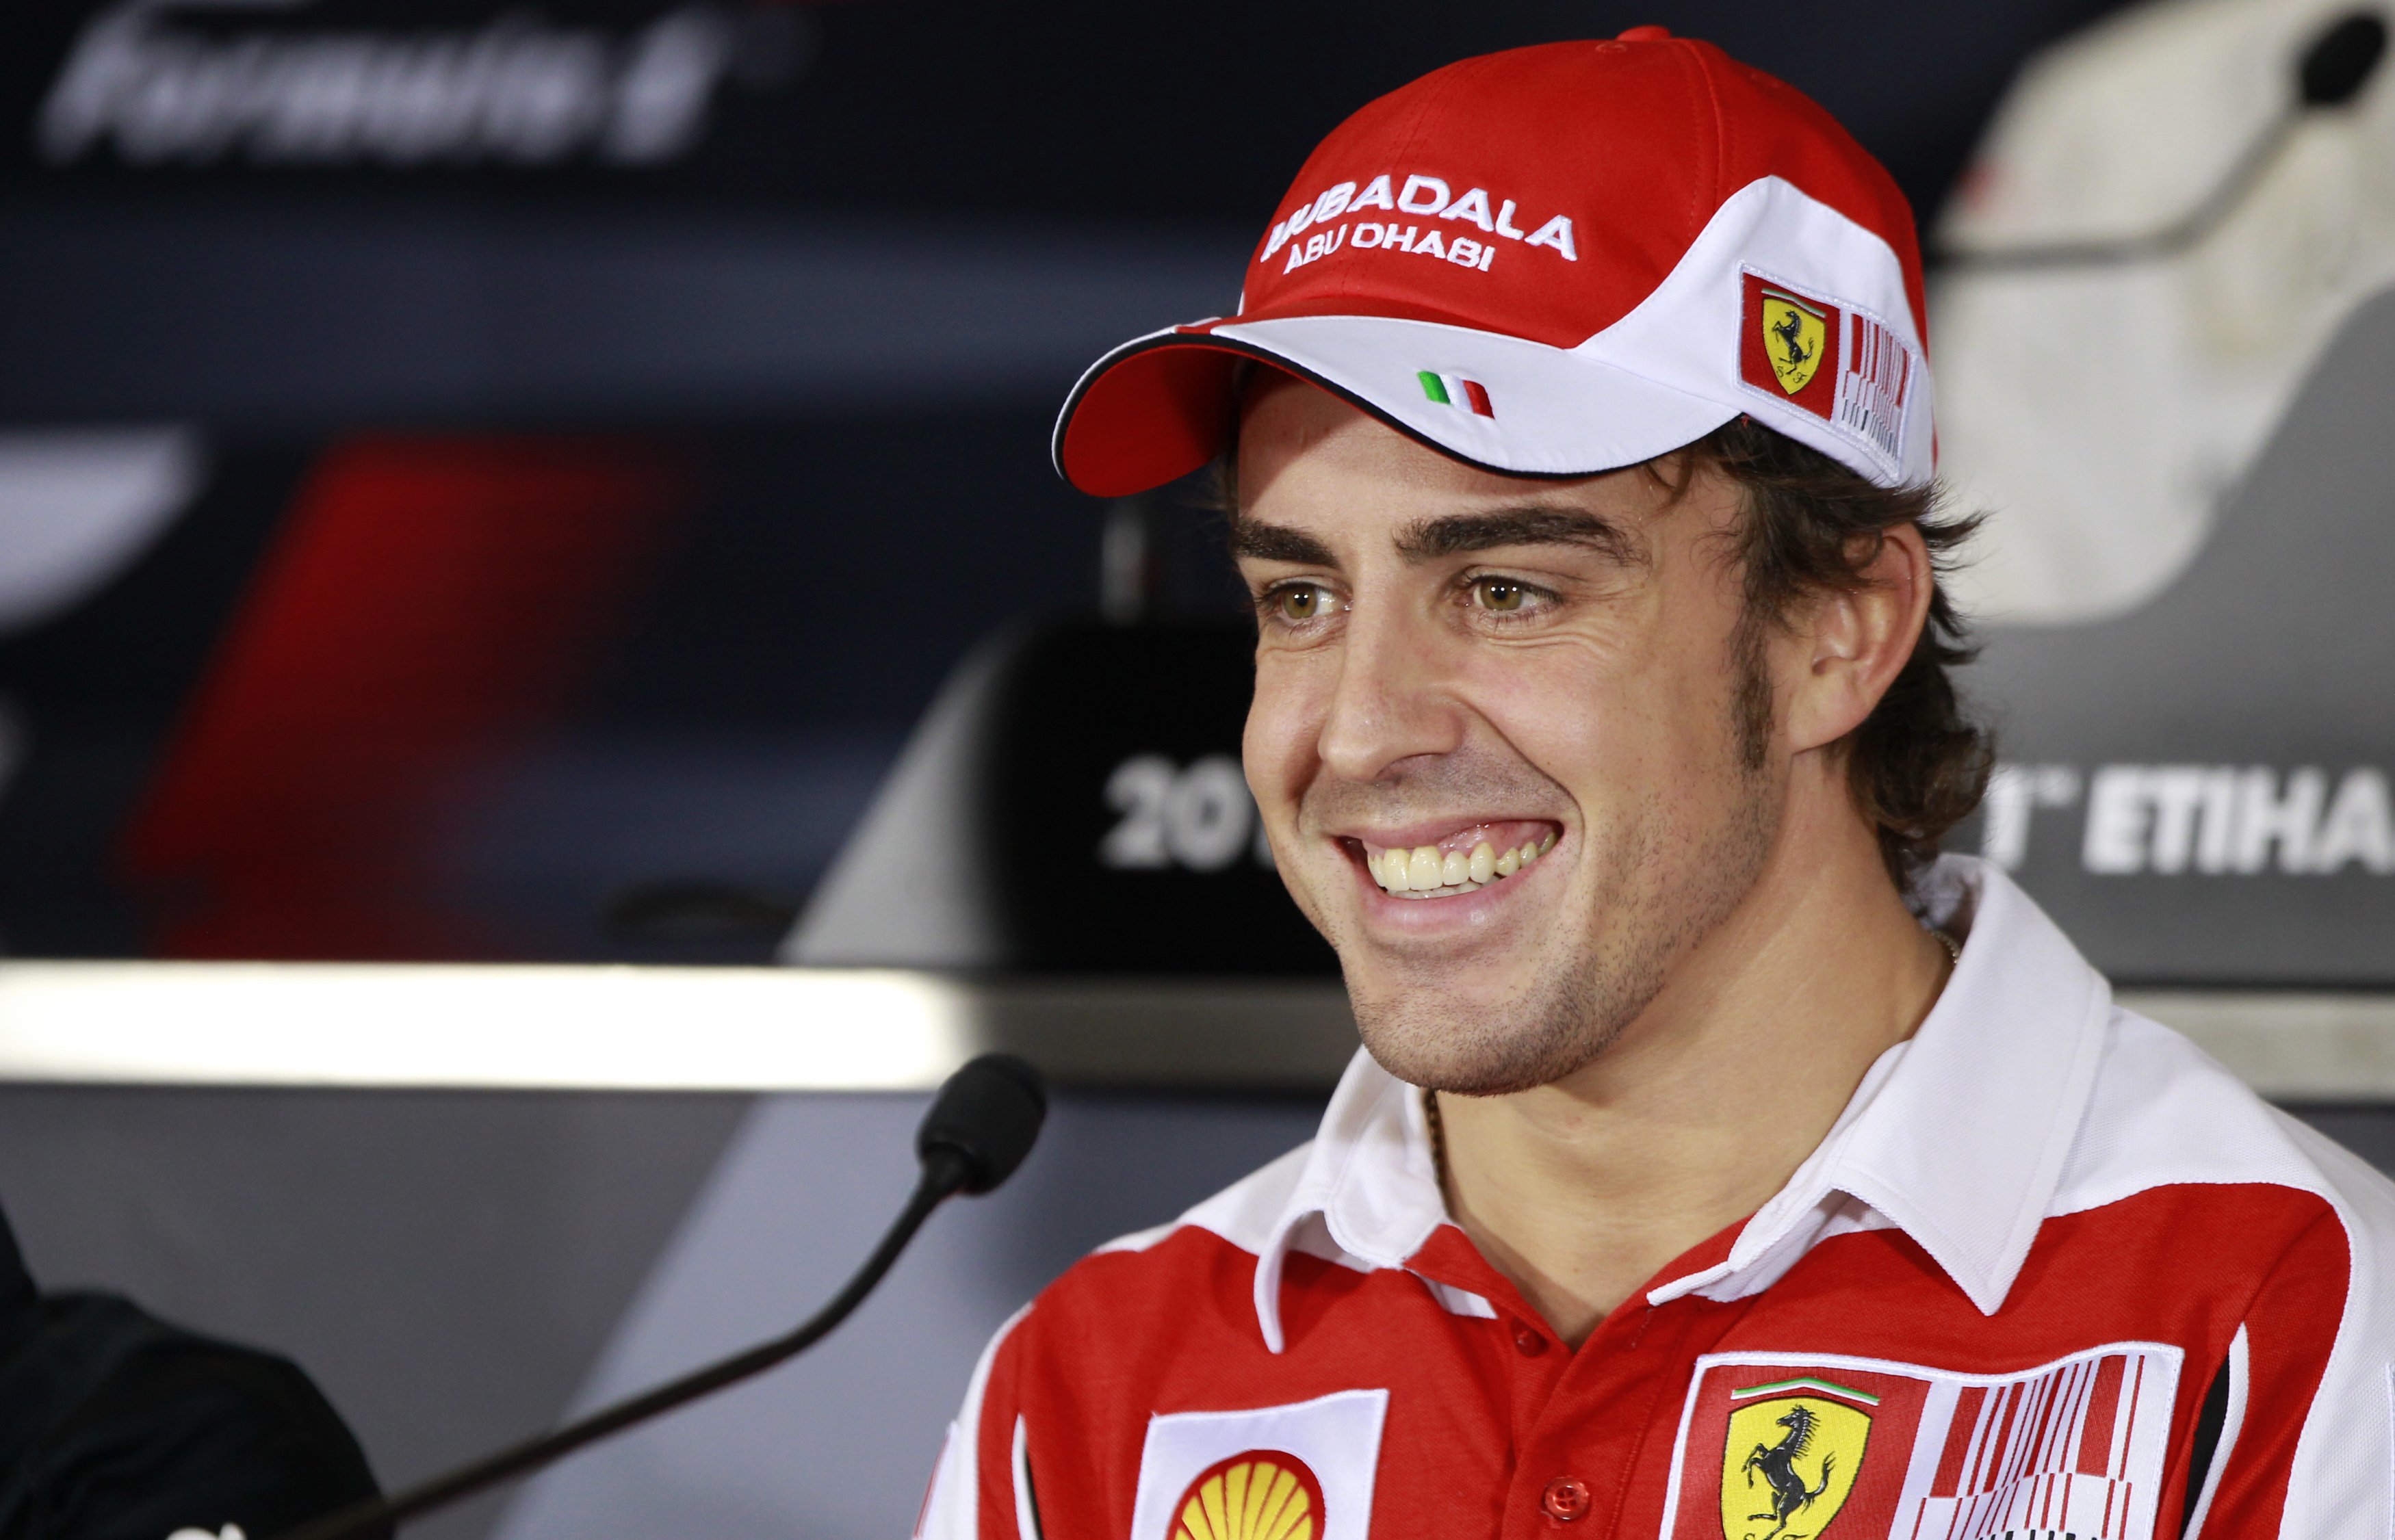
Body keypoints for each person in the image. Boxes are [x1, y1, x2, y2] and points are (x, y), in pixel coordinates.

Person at [918, 31, 2395, 1539]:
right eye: (1298, 598)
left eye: (1505, 590)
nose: (1356, 732)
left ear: (1839, 626)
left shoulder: (2288, 1318)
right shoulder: (1090, 1392)